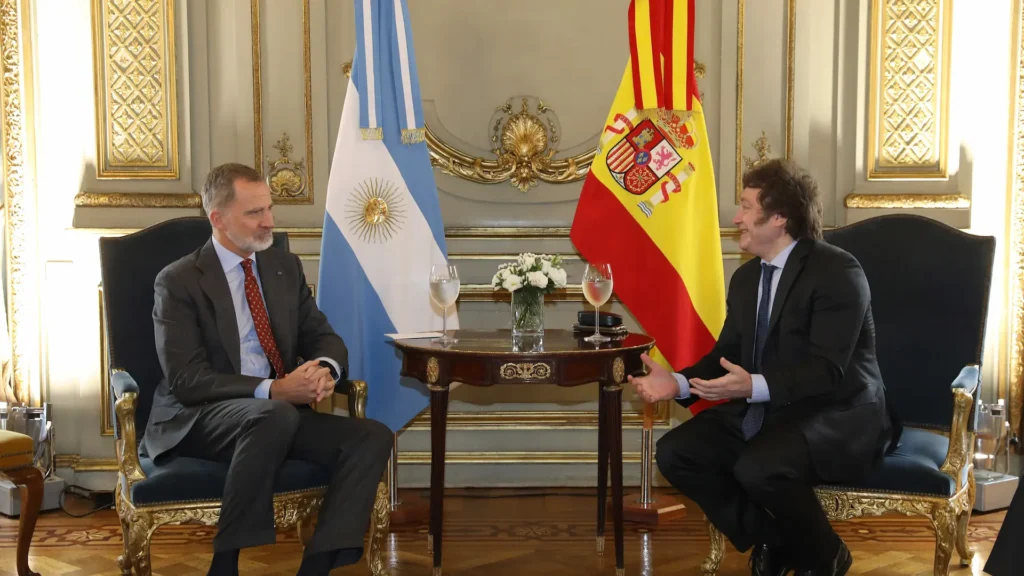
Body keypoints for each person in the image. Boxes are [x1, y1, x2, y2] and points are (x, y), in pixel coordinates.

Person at [630, 159, 897, 576]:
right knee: (676, 453)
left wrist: (750, 386)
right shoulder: (747, 277)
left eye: (745, 207)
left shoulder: (837, 271)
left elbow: (826, 371)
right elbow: (728, 353)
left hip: (838, 412)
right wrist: (678, 382)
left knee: (758, 466)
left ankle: (825, 556)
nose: (736, 218)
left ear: (779, 217)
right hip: (775, 408)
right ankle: (773, 536)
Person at [140, 163, 392, 576]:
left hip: (276, 417)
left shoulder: (282, 267)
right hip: (201, 417)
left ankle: (318, 564)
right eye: (254, 212)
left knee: (371, 437)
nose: (269, 221)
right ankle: (226, 564)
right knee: (272, 412)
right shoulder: (179, 281)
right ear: (218, 219)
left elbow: (324, 338)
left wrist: (323, 370)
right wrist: (274, 390)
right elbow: (187, 380)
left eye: (269, 208)